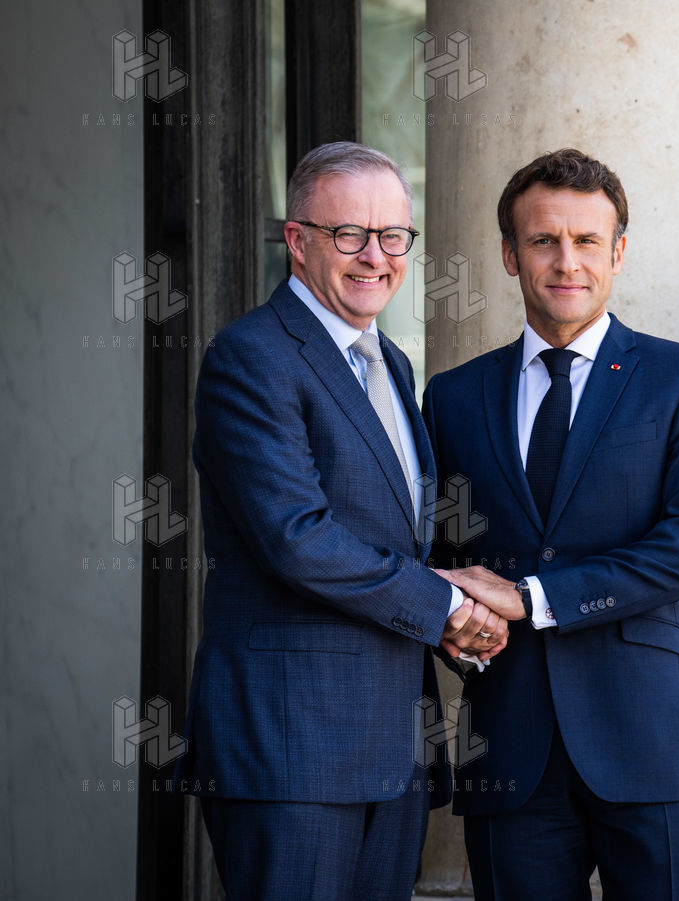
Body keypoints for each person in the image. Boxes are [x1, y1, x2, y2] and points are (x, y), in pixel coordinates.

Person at [177, 141, 505, 900]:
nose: (375, 257)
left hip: (391, 749)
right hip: (290, 747)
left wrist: (461, 610)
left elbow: (395, 536)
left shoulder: (391, 363)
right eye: (349, 233)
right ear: (297, 240)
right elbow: (298, 538)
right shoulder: (251, 357)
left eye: (393, 235)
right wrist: (447, 605)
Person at [421, 147, 679, 901]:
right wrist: (451, 622)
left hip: (653, 740)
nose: (567, 261)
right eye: (544, 240)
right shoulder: (454, 397)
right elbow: (442, 554)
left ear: (618, 252)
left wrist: (530, 596)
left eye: (587, 240)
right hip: (509, 746)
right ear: (510, 254)